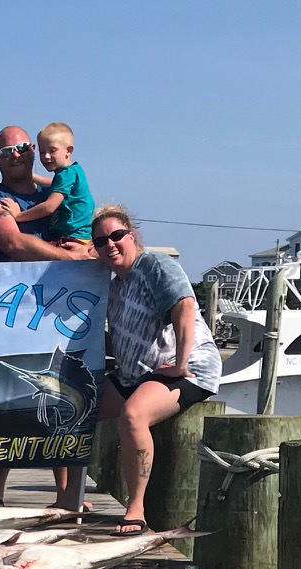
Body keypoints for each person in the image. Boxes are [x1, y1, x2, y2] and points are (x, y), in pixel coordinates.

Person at [0, 126, 95, 509]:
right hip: (8, 318)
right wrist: (74, 258)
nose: (18, 154)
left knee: (61, 401)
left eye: (24, 147)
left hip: (57, 319)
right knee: (7, 406)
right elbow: (14, 243)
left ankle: (64, 496)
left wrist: (90, 247)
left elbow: (83, 220)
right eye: (7, 150)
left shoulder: (51, 193)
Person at [88, 205, 221, 533]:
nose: (110, 245)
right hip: (135, 373)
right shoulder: (115, 286)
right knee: (76, 408)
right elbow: (118, 340)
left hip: (190, 369)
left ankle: (136, 509)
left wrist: (180, 363)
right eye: (101, 241)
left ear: (131, 236)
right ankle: (70, 497)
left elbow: (185, 306)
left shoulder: (154, 264)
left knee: (133, 415)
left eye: (117, 236)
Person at [12, 122, 94, 249]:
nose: (46, 156)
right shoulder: (74, 171)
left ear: (69, 150)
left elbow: (49, 207)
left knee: (29, 252)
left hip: (72, 238)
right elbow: (54, 184)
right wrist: (31, 177)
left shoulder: (66, 174)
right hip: (83, 236)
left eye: (52, 151)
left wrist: (19, 215)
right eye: (42, 152)